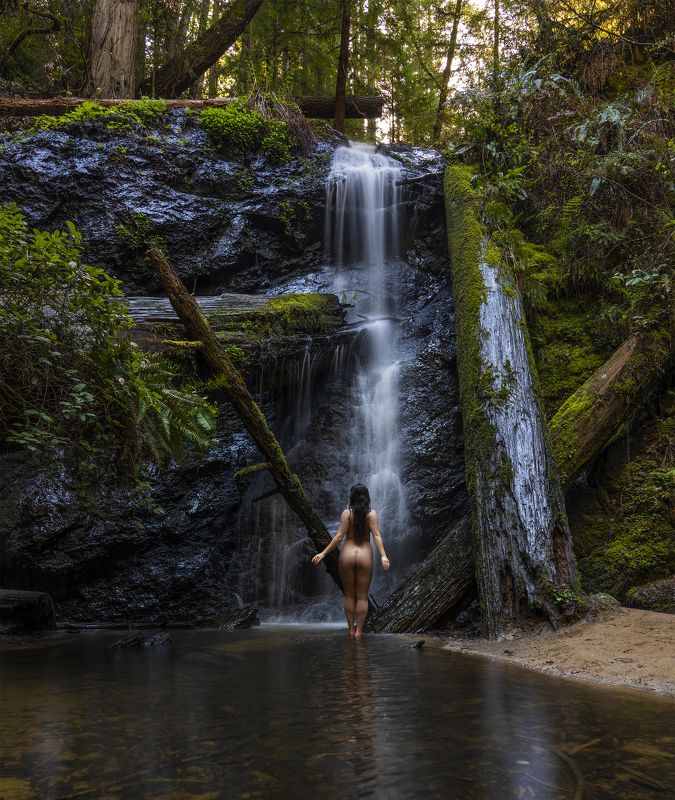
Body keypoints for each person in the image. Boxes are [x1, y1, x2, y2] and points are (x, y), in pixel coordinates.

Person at [311, 484, 390, 638]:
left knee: (349, 596)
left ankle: (350, 630)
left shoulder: (346, 513)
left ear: (351, 497)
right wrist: (383, 556)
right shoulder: (372, 514)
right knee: (361, 596)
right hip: (364, 554)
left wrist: (323, 553)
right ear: (367, 497)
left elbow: (339, 536)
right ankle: (359, 632)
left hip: (347, 553)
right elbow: (376, 536)